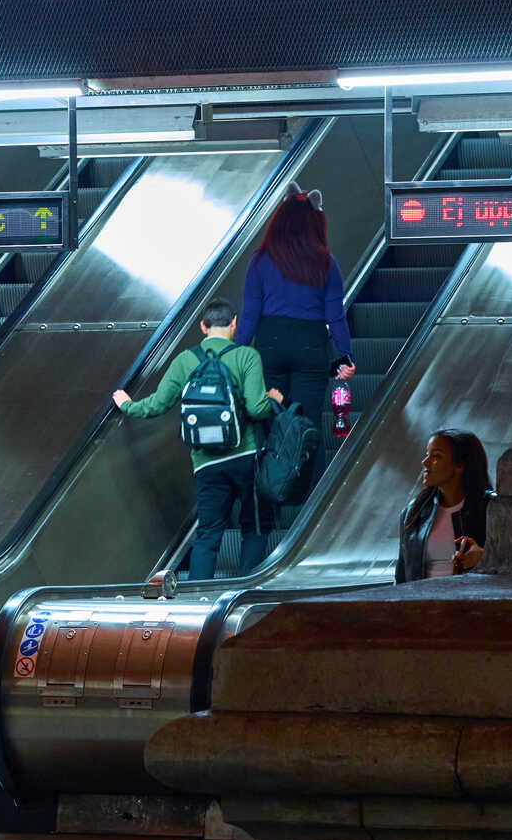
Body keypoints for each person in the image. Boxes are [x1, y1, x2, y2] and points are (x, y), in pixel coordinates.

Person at [113, 298, 283, 580]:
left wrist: (128, 405)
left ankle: (197, 598)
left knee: (208, 533)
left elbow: (157, 404)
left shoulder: (185, 360)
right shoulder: (247, 356)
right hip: (245, 457)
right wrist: (272, 400)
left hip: (205, 463)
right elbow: (256, 408)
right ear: (234, 324)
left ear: (203, 327)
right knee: (255, 526)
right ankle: (245, 590)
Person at [236, 187, 355, 479]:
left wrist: (236, 354)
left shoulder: (261, 260)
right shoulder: (327, 263)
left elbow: (249, 314)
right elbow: (335, 316)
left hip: (270, 344)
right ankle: (311, 500)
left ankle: (272, 492)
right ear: (315, 223)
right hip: (310, 345)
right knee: (307, 421)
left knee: (271, 418)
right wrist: (346, 355)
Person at [395, 429, 493, 583]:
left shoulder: (492, 509)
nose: (425, 462)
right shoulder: (414, 511)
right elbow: (401, 574)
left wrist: (485, 557)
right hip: (420, 603)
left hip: (470, 602)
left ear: (460, 465)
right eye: (427, 454)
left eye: (436, 457)